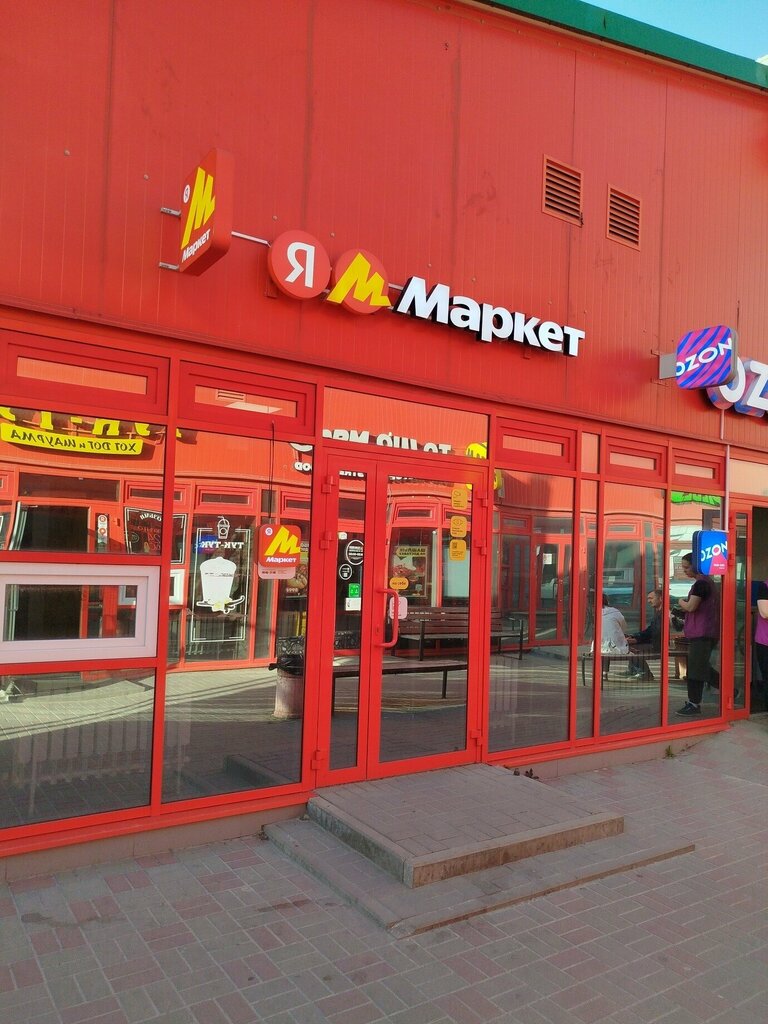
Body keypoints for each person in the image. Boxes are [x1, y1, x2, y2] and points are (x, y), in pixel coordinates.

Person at [675, 552, 719, 717]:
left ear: (696, 566)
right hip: (703, 631)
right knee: (700, 667)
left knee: (695, 669)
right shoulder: (707, 583)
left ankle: (694, 703)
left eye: (686, 567)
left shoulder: (701, 584)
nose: (685, 570)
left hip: (702, 632)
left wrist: (680, 601)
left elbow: (691, 607)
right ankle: (731, 689)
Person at [625, 588, 664, 679]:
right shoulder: (659, 613)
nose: (648, 601)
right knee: (629, 646)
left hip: (657, 645)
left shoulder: (663, 613)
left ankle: (645, 672)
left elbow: (655, 633)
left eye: (651, 598)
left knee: (632, 649)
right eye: (648, 599)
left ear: (661, 598)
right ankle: (634, 670)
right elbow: (650, 630)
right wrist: (634, 636)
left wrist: (636, 639)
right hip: (654, 642)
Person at [599, 594, 629, 681]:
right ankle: (638, 670)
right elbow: (624, 626)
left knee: (604, 646)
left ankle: (603, 673)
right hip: (618, 646)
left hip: (600, 647)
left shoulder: (595, 612)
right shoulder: (614, 611)